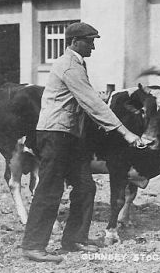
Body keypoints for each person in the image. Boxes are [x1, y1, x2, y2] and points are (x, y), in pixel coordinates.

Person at [22, 22, 145, 262]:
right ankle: (33, 246)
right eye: (90, 41)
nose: (93, 46)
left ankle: (74, 239)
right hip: (55, 133)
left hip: (70, 135)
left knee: (86, 186)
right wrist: (126, 132)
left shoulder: (77, 64)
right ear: (75, 41)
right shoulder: (68, 66)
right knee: (50, 188)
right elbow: (92, 102)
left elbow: (85, 100)